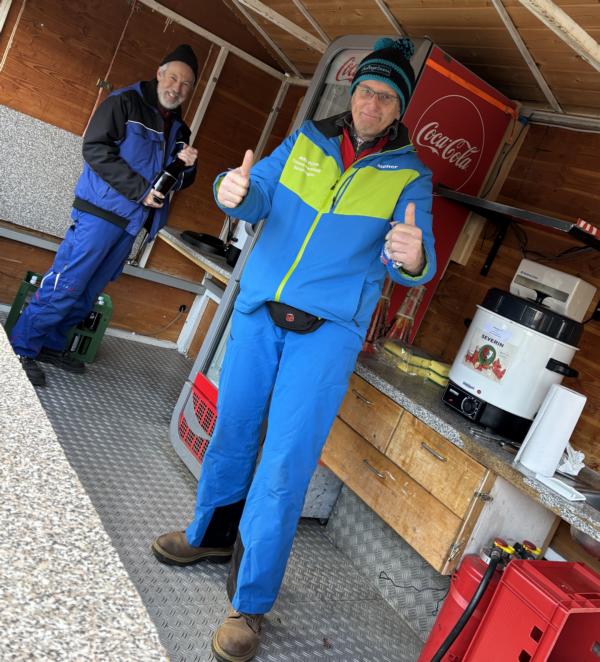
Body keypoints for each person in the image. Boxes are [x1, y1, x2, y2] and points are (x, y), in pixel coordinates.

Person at [152, 37, 436, 662]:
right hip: (260, 313)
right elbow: (257, 193)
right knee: (231, 433)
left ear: (400, 109)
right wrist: (231, 189)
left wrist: (414, 259)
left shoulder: (410, 176)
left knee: (283, 466)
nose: (371, 103)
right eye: (365, 90)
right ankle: (210, 535)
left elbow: (415, 259)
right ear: (352, 92)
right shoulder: (307, 139)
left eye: (386, 97)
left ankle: (249, 604)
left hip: (327, 334)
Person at [10, 44, 199, 387]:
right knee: (68, 282)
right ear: (160, 74)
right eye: (173, 77)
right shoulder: (125, 103)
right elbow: (95, 148)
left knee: (88, 291)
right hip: (102, 214)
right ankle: (21, 348)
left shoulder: (180, 130)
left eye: (186, 84)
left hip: (132, 223)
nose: (177, 87)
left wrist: (189, 165)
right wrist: (140, 190)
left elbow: (179, 181)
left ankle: (50, 344)